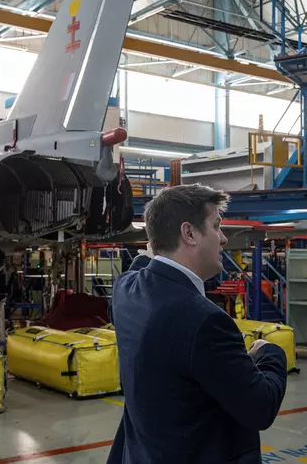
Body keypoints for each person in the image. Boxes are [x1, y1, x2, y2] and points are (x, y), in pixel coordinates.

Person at [108, 184, 287, 464]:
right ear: (189, 233)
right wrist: (270, 353)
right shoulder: (205, 321)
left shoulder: (125, 291)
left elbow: (140, 266)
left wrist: (155, 251)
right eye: (216, 226)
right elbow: (260, 408)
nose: (224, 239)